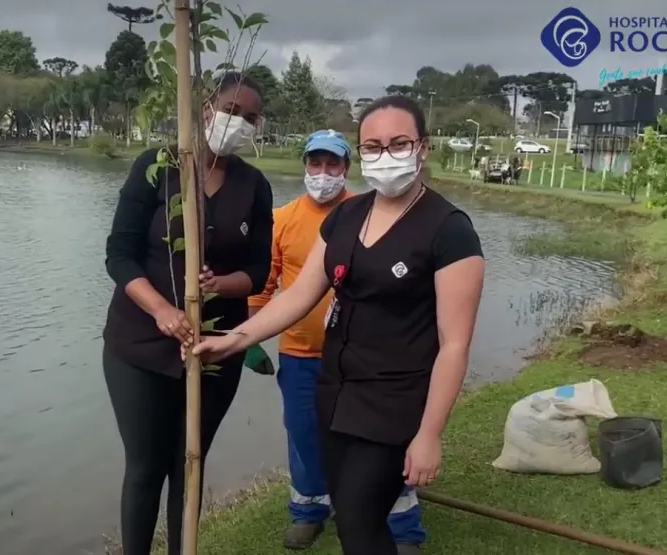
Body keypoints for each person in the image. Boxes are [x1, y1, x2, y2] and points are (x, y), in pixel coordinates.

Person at [192, 95, 485, 555]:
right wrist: (234, 339)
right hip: (334, 392)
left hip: (394, 400)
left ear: (423, 148)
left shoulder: (449, 230)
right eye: (372, 146)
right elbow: (299, 295)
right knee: (352, 520)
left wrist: (428, 435)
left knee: (360, 519)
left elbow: (454, 345)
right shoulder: (348, 216)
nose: (384, 155)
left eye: (398, 143)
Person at [102, 72, 273, 555]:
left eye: (250, 117)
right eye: (231, 110)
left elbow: (258, 271)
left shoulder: (254, 185)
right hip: (140, 344)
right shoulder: (158, 167)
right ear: (205, 108)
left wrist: (222, 284)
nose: (238, 122)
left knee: (189, 465)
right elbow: (119, 253)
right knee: (145, 466)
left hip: (216, 348)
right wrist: (160, 309)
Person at [248, 129, 427, 553]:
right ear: (305, 166)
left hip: (363, 358)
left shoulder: (368, 214)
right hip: (300, 354)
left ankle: (401, 521)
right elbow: (264, 284)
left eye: (333, 164)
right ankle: (308, 510)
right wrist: (250, 336)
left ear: (347, 168)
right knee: (304, 434)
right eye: (316, 163)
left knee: (380, 439)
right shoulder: (283, 219)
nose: (323, 173)